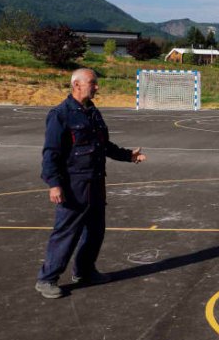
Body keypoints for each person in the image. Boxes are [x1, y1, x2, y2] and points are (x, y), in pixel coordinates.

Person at [35, 68, 146, 299]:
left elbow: (103, 145)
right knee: (67, 232)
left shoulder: (92, 112)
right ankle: (47, 279)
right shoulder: (61, 114)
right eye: (92, 83)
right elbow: (51, 153)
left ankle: (84, 271)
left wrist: (128, 155)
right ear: (76, 85)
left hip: (95, 182)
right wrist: (54, 184)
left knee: (95, 231)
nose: (96, 87)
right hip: (73, 185)